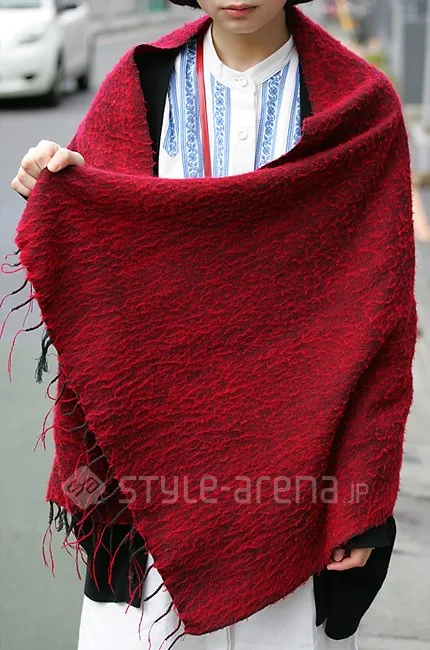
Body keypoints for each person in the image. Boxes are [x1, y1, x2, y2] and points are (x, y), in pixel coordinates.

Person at [10, 1, 413, 649]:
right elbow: (107, 278)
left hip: (293, 484)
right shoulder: (140, 86)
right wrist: (63, 188)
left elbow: (382, 321)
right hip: (147, 480)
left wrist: (361, 502)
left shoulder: (361, 110)